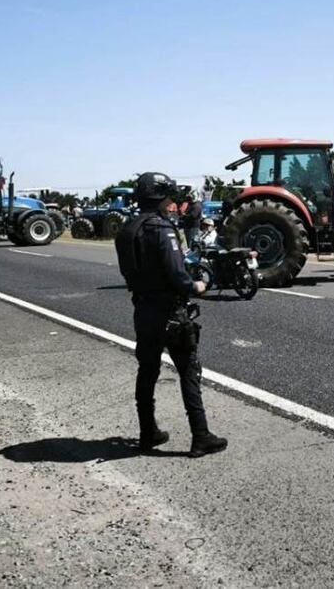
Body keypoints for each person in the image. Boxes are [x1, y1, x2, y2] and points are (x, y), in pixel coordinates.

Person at [115, 172, 227, 458]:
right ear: (160, 197)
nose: (171, 202)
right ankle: (200, 435)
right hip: (170, 311)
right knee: (189, 370)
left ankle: (147, 431)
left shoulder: (127, 230)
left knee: (147, 372)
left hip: (143, 309)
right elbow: (177, 273)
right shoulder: (162, 229)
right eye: (168, 196)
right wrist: (196, 286)